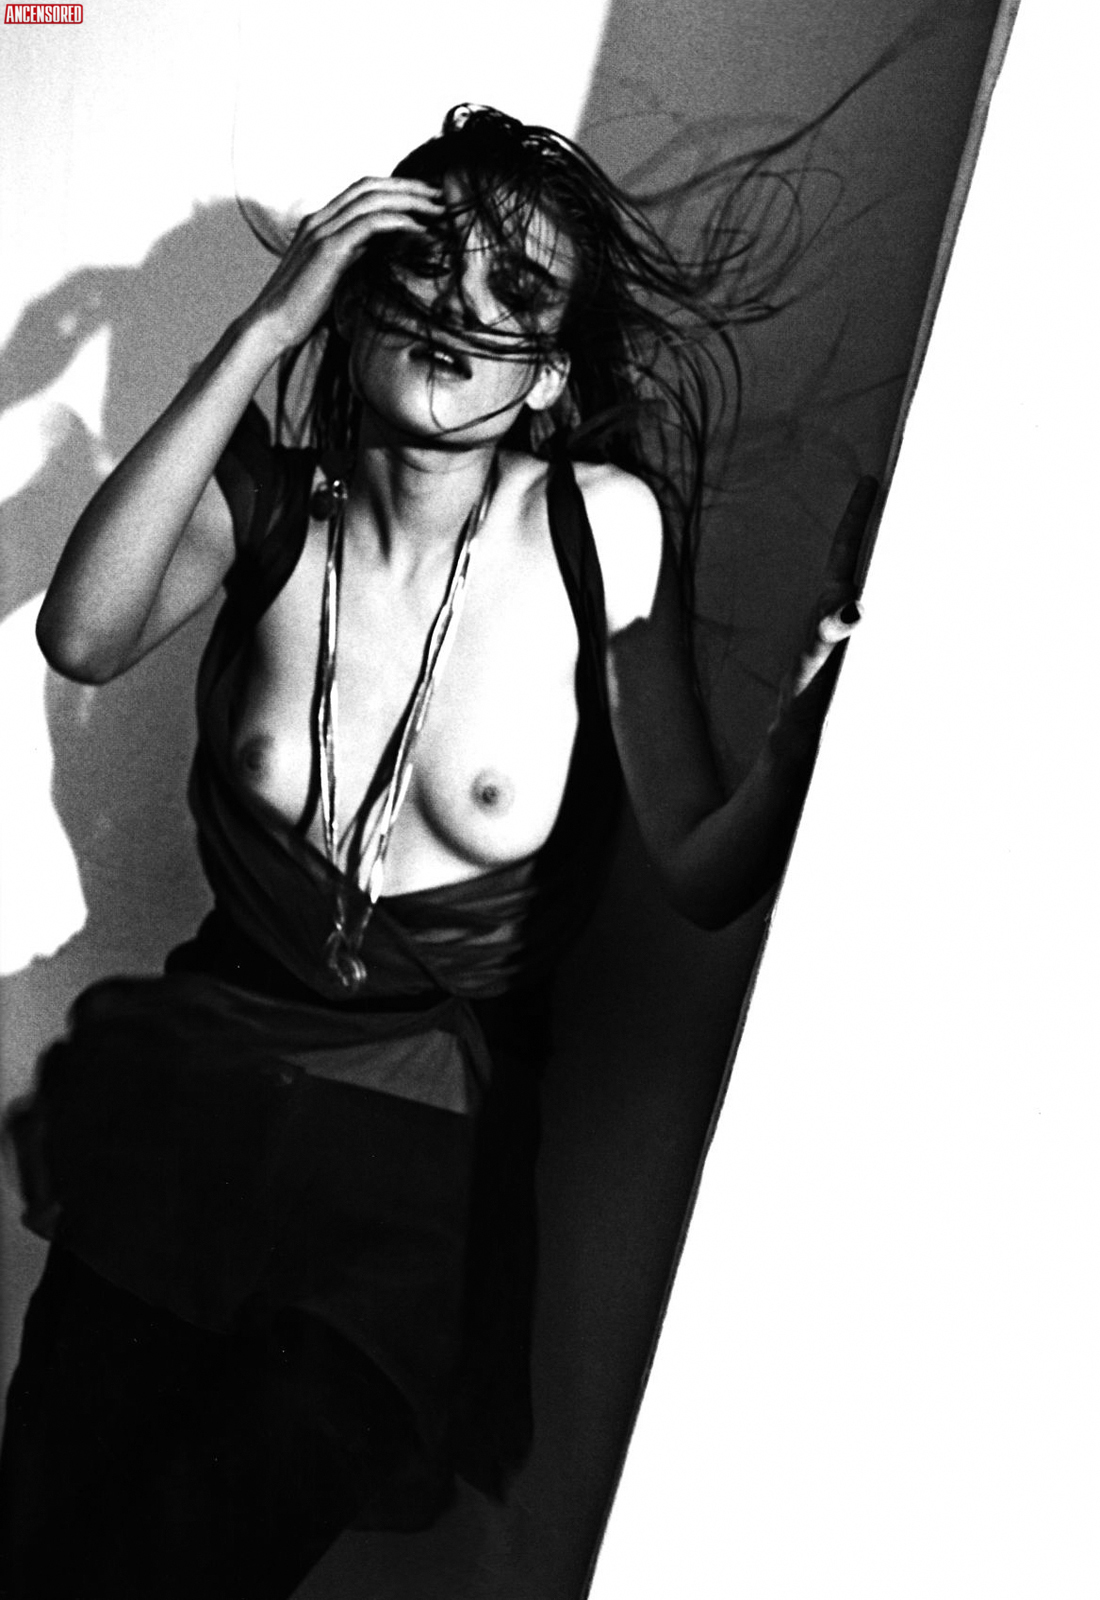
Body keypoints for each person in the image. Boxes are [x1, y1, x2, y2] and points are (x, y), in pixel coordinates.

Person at [0, 106, 868, 1599]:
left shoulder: (599, 528)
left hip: (418, 1159)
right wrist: (264, 330)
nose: (459, 305)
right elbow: (81, 636)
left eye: (514, 289)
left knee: (190, 1562)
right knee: (38, 1544)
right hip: (196, 1101)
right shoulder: (268, 503)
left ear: (554, 374)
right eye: (424, 258)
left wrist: (810, 728)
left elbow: (701, 867)